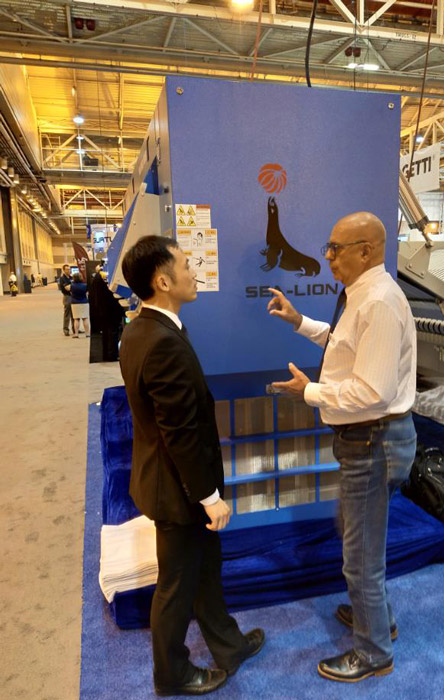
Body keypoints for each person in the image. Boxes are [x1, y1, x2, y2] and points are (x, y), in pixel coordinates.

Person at [267, 212, 417, 684]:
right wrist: (300, 322)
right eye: (328, 248)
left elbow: (371, 392)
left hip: (373, 441)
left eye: (336, 248)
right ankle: (377, 617)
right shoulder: (364, 296)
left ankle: (374, 652)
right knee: (357, 537)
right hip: (367, 441)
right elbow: (344, 346)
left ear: (366, 251)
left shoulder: (379, 303)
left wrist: (309, 392)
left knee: (360, 558)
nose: (328, 256)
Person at [119, 235, 264, 697]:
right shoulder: (162, 342)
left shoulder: (143, 329)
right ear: (163, 281)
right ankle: (172, 673)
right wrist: (209, 497)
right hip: (178, 489)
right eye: (185, 265)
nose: (193, 272)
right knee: (176, 585)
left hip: (171, 481)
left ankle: (229, 646)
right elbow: (179, 433)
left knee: (204, 571)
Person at [70, 273, 90, 339]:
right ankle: (87, 333)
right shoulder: (85, 285)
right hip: (84, 302)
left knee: (76, 319)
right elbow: (87, 293)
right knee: (85, 318)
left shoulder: (72, 286)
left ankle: (76, 334)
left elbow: (70, 292)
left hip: (75, 303)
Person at [59, 264, 73, 336]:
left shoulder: (71, 277)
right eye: (67, 269)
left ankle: (75, 328)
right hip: (67, 297)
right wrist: (72, 286)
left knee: (74, 314)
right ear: (64, 270)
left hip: (73, 296)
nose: (69, 270)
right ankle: (66, 329)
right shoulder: (62, 278)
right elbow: (67, 288)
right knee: (67, 314)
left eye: (69, 269)